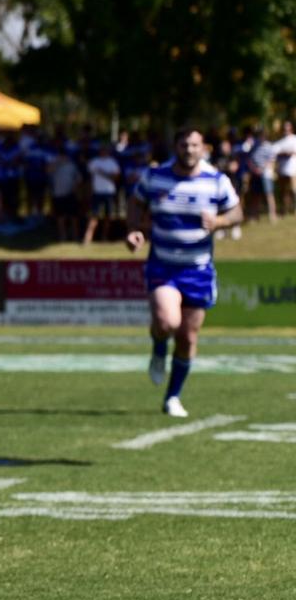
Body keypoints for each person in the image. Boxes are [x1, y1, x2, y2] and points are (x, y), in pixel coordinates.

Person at [126, 127, 241, 418]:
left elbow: (237, 213)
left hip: (198, 269)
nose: (189, 150)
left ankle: (172, 397)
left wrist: (219, 222)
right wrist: (134, 230)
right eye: (183, 144)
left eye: (194, 145)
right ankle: (158, 347)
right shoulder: (155, 176)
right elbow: (136, 202)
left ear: (203, 148)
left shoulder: (216, 180)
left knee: (188, 337)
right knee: (167, 321)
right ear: (175, 146)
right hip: (164, 265)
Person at [83, 143, 122, 244]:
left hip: (109, 192)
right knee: (94, 216)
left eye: (105, 150)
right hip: (97, 192)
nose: (103, 152)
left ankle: (104, 237)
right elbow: (89, 178)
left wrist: (102, 172)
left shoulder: (112, 162)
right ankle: (88, 237)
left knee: (108, 216)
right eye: (102, 150)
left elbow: (116, 177)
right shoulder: (94, 162)